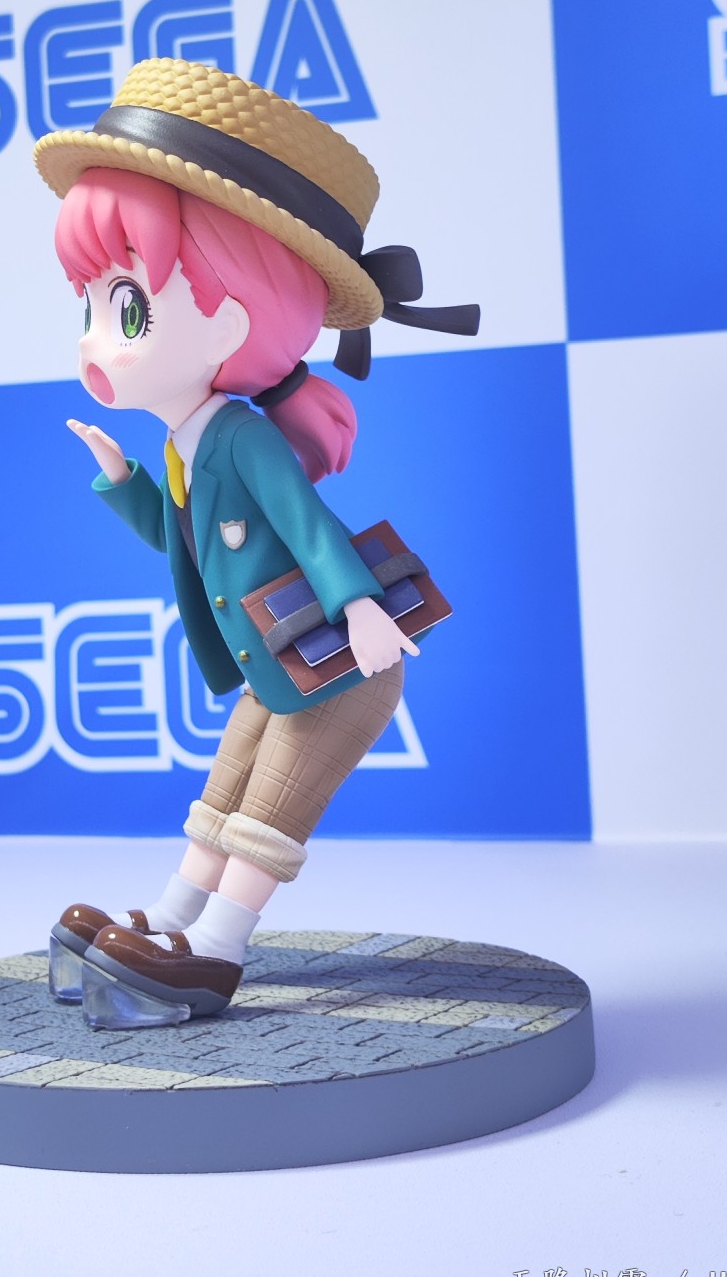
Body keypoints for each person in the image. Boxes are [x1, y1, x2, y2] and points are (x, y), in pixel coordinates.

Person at [33, 59, 477, 1026]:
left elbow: (311, 527)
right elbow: (181, 544)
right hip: (275, 662)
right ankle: (168, 922)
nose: (96, 340)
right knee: (222, 796)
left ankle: (216, 951)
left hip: (339, 664)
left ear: (229, 319)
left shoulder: (241, 437)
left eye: (127, 308)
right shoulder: (186, 443)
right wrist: (121, 481)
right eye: (91, 308)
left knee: (268, 810)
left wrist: (362, 609)